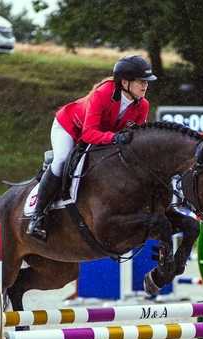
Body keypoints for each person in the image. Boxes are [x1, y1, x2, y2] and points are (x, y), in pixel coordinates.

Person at [27, 55, 157, 240]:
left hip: (102, 137)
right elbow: (88, 134)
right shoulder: (102, 94)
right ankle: (37, 216)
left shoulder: (143, 105)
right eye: (140, 81)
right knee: (62, 160)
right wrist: (116, 137)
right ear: (125, 82)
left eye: (146, 82)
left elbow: (134, 139)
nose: (145, 86)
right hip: (70, 127)